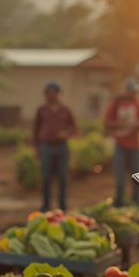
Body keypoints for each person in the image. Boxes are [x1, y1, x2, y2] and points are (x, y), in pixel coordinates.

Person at [33, 81, 77, 211]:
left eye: (53, 92)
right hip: (46, 146)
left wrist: (66, 133)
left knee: (62, 177)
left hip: (61, 146)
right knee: (46, 177)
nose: (50, 95)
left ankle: (62, 205)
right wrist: (37, 149)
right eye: (48, 93)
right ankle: (46, 205)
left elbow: (74, 127)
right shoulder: (41, 110)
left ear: (58, 94)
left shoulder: (65, 109)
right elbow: (35, 130)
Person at [104, 77, 139, 207]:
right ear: (127, 91)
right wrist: (120, 124)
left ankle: (136, 201)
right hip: (120, 144)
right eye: (132, 91)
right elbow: (107, 121)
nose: (134, 94)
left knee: (137, 175)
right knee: (120, 176)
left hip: (135, 145)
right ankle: (119, 202)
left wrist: (136, 124)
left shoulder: (138, 104)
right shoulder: (115, 104)